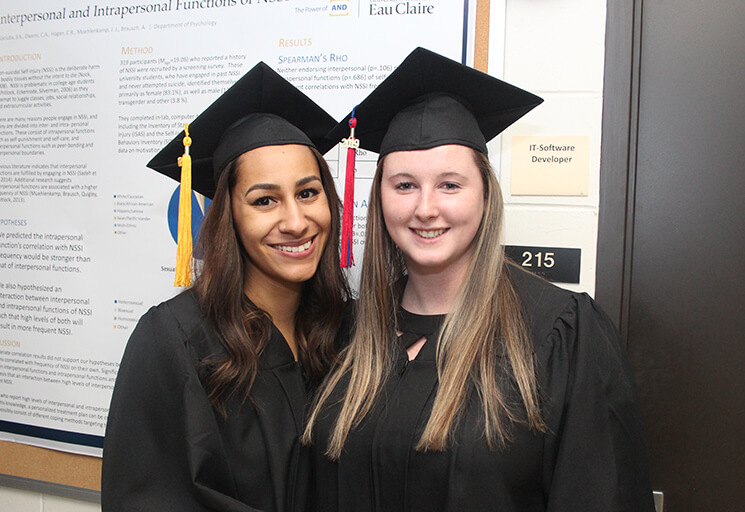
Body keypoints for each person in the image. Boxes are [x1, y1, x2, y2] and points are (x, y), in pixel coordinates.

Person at [304, 47, 654, 511]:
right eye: (404, 185)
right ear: (381, 197)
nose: (425, 208)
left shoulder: (558, 335)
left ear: (485, 196)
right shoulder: (349, 331)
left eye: (450, 185)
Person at [102, 62, 350, 512]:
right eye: (264, 200)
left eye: (308, 193)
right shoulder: (174, 341)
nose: (296, 221)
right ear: (228, 215)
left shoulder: (350, 329)